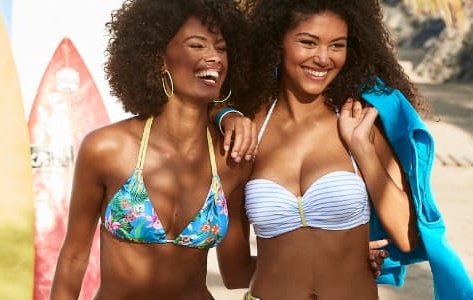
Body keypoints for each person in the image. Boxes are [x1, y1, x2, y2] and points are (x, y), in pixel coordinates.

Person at [214, 0, 473, 298]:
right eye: (308, 42)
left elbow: (407, 237)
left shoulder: (361, 120)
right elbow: (233, 273)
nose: (323, 58)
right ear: (277, 41)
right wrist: (325, 258)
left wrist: (362, 148)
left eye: (337, 45)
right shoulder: (247, 132)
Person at [48, 0, 252, 298]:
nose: (214, 58)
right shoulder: (107, 148)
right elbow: (74, 258)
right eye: (197, 45)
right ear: (159, 58)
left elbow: (236, 272)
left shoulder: (231, 158)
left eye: (221, 49)